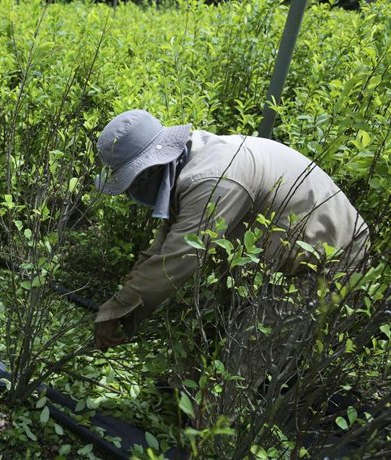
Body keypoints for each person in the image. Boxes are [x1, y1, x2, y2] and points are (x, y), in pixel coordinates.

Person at [93, 109, 369, 353]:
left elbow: (176, 260)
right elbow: (163, 244)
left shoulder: (211, 180)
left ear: (150, 170)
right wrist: (120, 305)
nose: (130, 192)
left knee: (248, 354)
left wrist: (115, 311)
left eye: (131, 182)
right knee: (222, 326)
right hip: (286, 257)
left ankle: (217, 411)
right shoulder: (184, 161)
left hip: (331, 258)